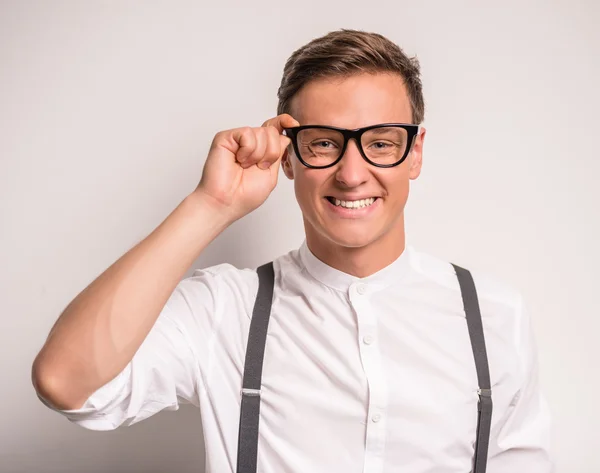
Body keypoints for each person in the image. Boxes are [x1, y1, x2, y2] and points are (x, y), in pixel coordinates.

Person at [31, 29, 553, 473]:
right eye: (324, 142)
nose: (352, 174)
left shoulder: (493, 314)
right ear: (288, 158)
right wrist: (212, 204)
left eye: (381, 142)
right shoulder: (224, 311)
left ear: (414, 154)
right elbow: (65, 383)